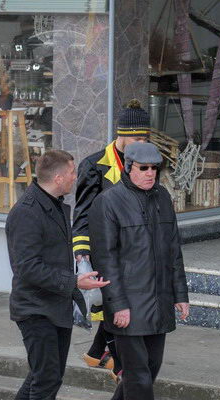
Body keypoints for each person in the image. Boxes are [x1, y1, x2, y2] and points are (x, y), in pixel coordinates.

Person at [1, 150, 108, 400]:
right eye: (73, 172)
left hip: (54, 305)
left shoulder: (54, 204)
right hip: (35, 309)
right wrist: (73, 281)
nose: (76, 177)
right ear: (59, 177)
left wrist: (76, 276)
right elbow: (27, 268)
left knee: (44, 374)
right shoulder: (27, 212)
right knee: (46, 379)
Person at [89, 142, 190, 400]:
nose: (150, 174)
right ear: (128, 167)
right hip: (128, 304)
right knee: (138, 374)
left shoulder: (162, 198)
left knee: (150, 368)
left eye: (154, 169)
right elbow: (105, 259)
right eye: (143, 168)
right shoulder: (108, 202)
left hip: (158, 300)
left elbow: (173, 249)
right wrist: (117, 304)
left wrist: (180, 294)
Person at [72, 99, 151, 380]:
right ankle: (121, 366)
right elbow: (82, 212)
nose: (142, 144)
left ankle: (96, 353)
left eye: (145, 139)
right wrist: (82, 252)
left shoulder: (144, 163)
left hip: (134, 249)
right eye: (137, 139)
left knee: (121, 303)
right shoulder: (94, 165)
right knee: (114, 305)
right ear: (122, 135)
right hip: (103, 248)